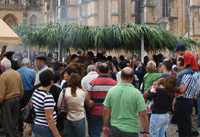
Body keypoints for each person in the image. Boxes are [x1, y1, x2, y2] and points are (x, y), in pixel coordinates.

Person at [103, 67, 149, 137]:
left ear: (121, 76)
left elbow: (106, 110)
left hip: (115, 127)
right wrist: (146, 131)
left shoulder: (112, 90)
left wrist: (106, 126)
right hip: (131, 128)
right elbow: (142, 114)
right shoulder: (137, 93)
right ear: (133, 77)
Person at [87, 63, 117, 137]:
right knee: (110, 132)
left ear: (98, 70)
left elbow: (88, 99)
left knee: (95, 132)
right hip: (110, 112)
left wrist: (90, 109)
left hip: (96, 112)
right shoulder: (114, 83)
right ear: (108, 71)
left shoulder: (92, 83)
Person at [31, 69, 60, 137]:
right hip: (45, 127)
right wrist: (57, 134)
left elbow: (32, 105)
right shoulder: (47, 96)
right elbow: (49, 118)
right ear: (51, 81)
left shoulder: (36, 91)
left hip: (36, 123)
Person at [173, 57, 198, 136]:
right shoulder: (188, 75)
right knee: (186, 122)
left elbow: (181, 89)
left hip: (184, 101)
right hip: (187, 101)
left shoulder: (186, 76)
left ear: (183, 66)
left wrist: (173, 88)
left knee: (183, 123)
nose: (177, 67)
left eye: (178, 65)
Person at [0, 58, 24, 137]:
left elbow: (1, 93)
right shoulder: (17, 73)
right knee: (15, 120)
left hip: (7, 100)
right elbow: (21, 89)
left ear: (3, 67)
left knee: (7, 122)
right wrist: (19, 97)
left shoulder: (3, 76)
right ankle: (16, 135)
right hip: (17, 98)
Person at [17, 58, 36, 135]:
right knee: (29, 111)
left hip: (19, 92)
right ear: (28, 64)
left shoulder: (17, 72)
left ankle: (20, 129)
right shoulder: (32, 72)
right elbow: (34, 84)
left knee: (19, 111)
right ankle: (28, 128)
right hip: (29, 93)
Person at [81, 65, 98, 136]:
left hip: (88, 102)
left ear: (88, 70)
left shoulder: (84, 79)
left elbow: (82, 90)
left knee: (89, 117)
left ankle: (91, 132)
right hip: (99, 101)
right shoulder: (98, 77)